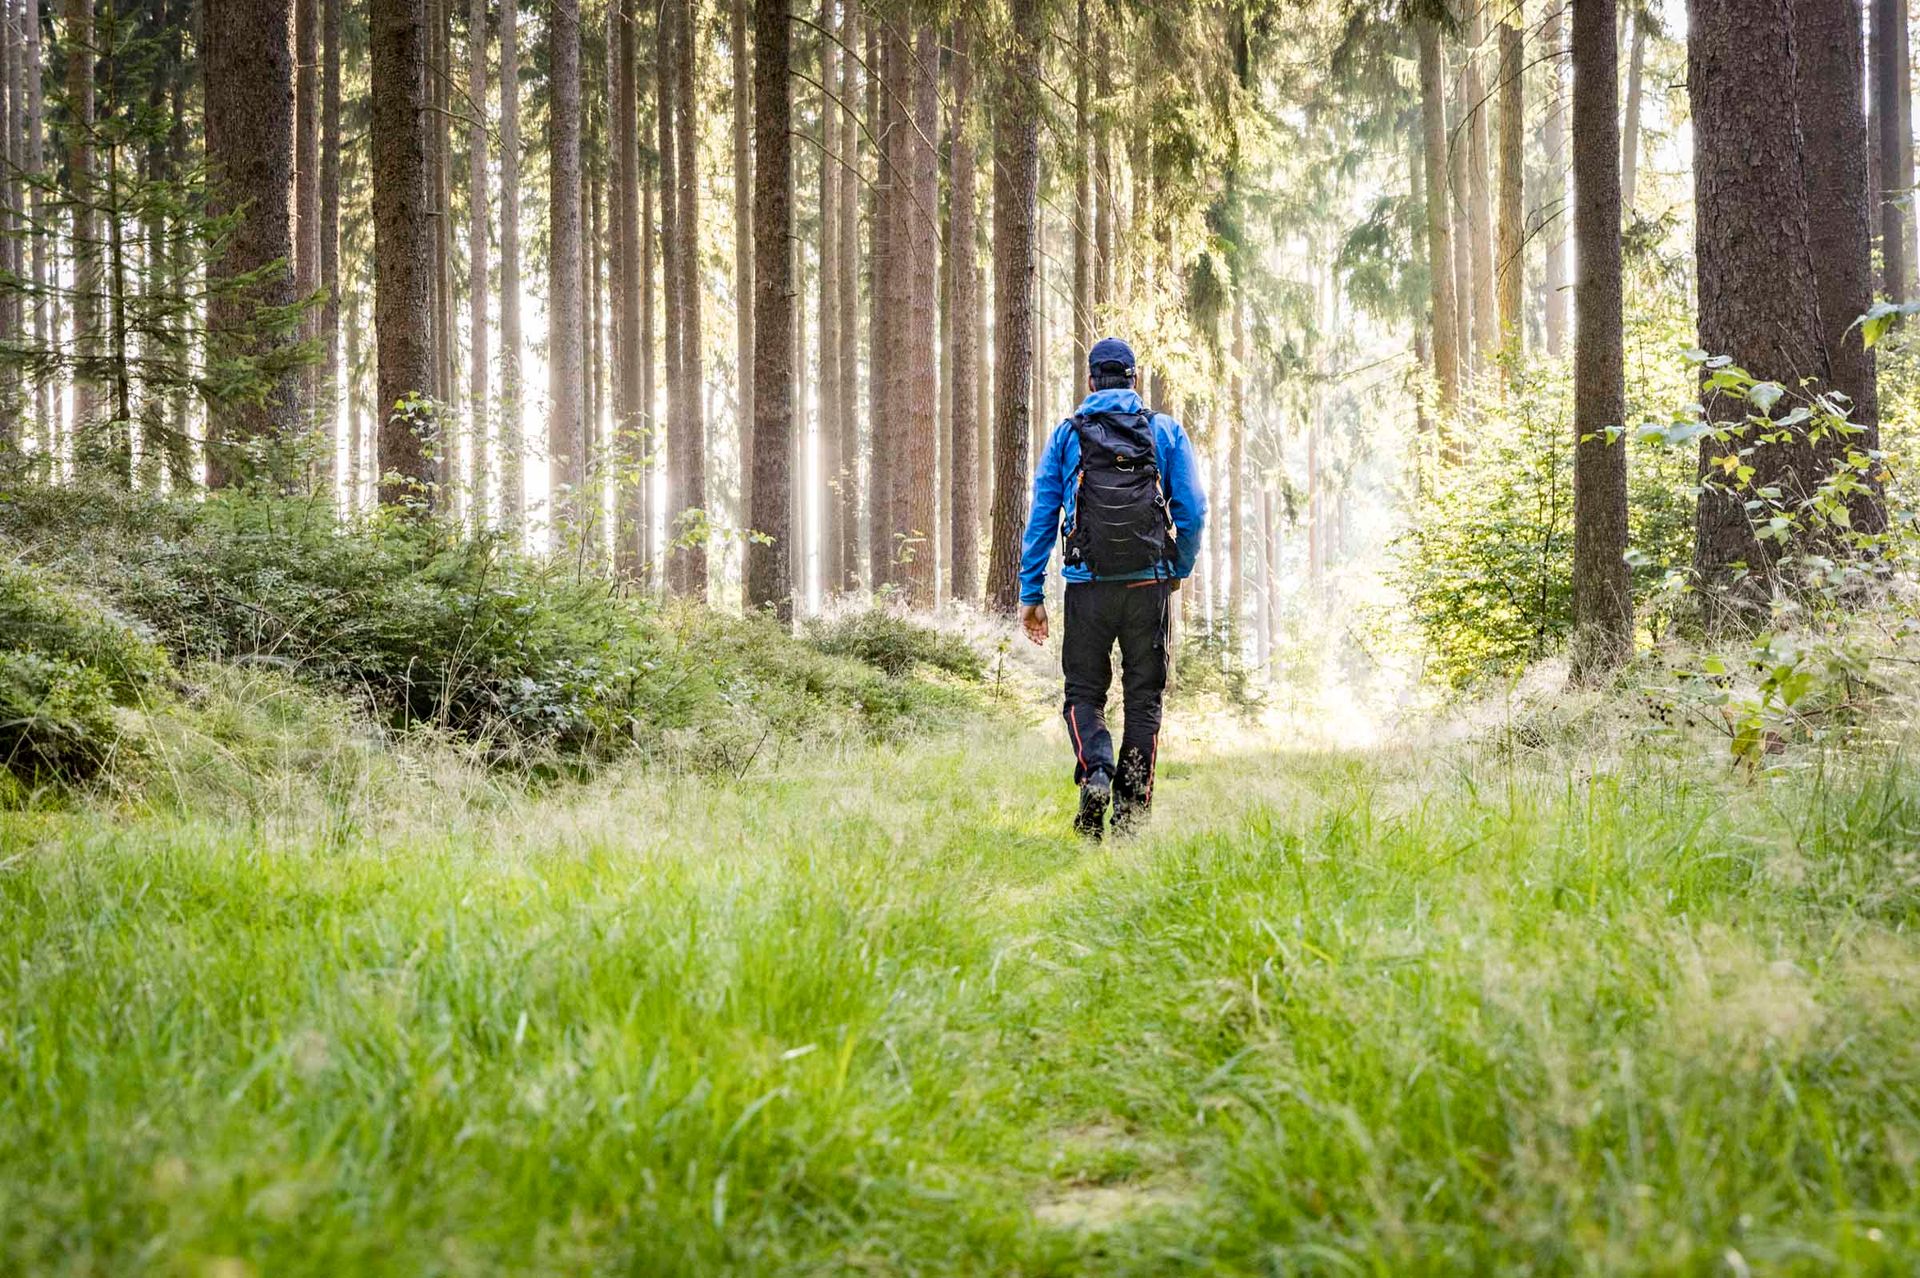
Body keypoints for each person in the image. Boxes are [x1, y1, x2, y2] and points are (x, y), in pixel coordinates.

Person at [1017, 337, 1207, 840]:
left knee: (1083, 692)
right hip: (1148, 587)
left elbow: (1041, 517)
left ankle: (1095, 769)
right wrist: (1177, 568)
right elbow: (1192, 511)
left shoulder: (1067, 435)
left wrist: (1031, 591)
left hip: (1087, 588)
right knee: (1143, 700)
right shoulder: (1164, 431)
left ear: (1090, 382)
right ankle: (1130, 819)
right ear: (1135, 380)